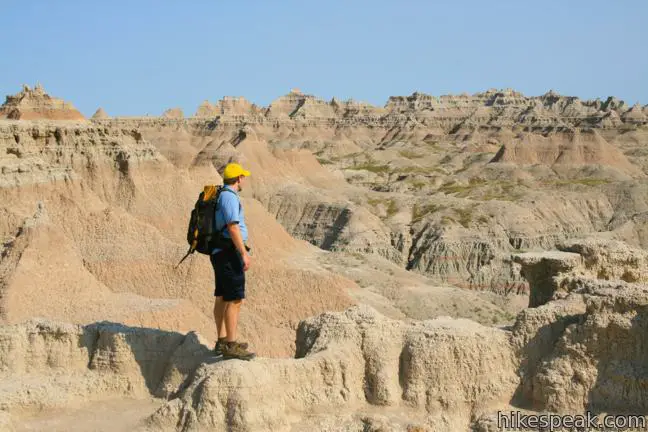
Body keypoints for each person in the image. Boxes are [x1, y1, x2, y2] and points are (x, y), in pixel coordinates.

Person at [211, 162, 256, 360]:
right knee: (234, 299)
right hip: (229, 253)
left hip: (220, 252)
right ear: (238, 179)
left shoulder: (221, 195)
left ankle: (222, 340)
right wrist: (243, 253)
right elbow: (233, 227)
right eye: (242, 176)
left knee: (222, 296)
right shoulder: (229, 197)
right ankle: (230, 345)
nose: (243, 179)